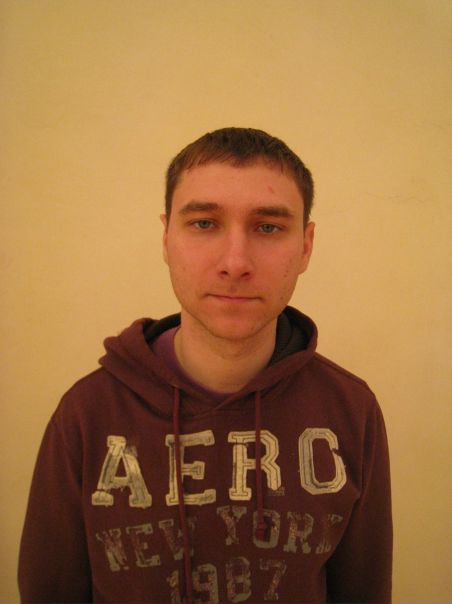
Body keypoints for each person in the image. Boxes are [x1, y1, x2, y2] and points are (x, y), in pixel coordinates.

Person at [18, 127, 392, 604]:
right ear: (166, 238)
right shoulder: (87, 413)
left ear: (305, 246)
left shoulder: (351, 410)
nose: (235, 262)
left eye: (268, 227)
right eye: (203, 223)